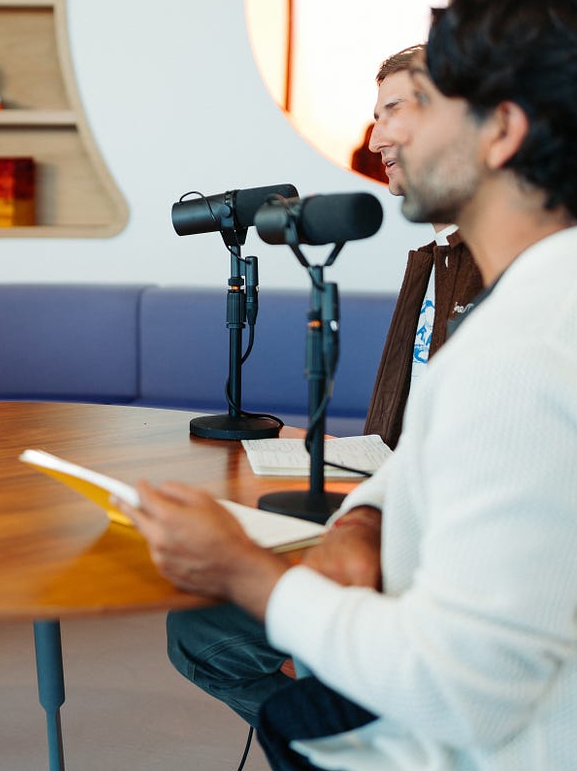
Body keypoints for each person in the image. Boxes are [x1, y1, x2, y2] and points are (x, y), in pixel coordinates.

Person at [123, 0, 577, 771]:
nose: (386, 135)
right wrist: (363, 518)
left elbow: (457, 690)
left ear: (502, 130)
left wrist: (246, 572)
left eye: (422, 103)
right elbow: (438, 450)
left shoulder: (530, 347)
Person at [164, 45, 484, 729]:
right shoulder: (435, 259)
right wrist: (354, 469)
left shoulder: (503, 276)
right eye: (374, 116)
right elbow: (420, 436)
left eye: (394, 110)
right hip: (395, 519)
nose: (374, 140)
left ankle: (362, 737)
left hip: (434, 569)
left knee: (201, 634)